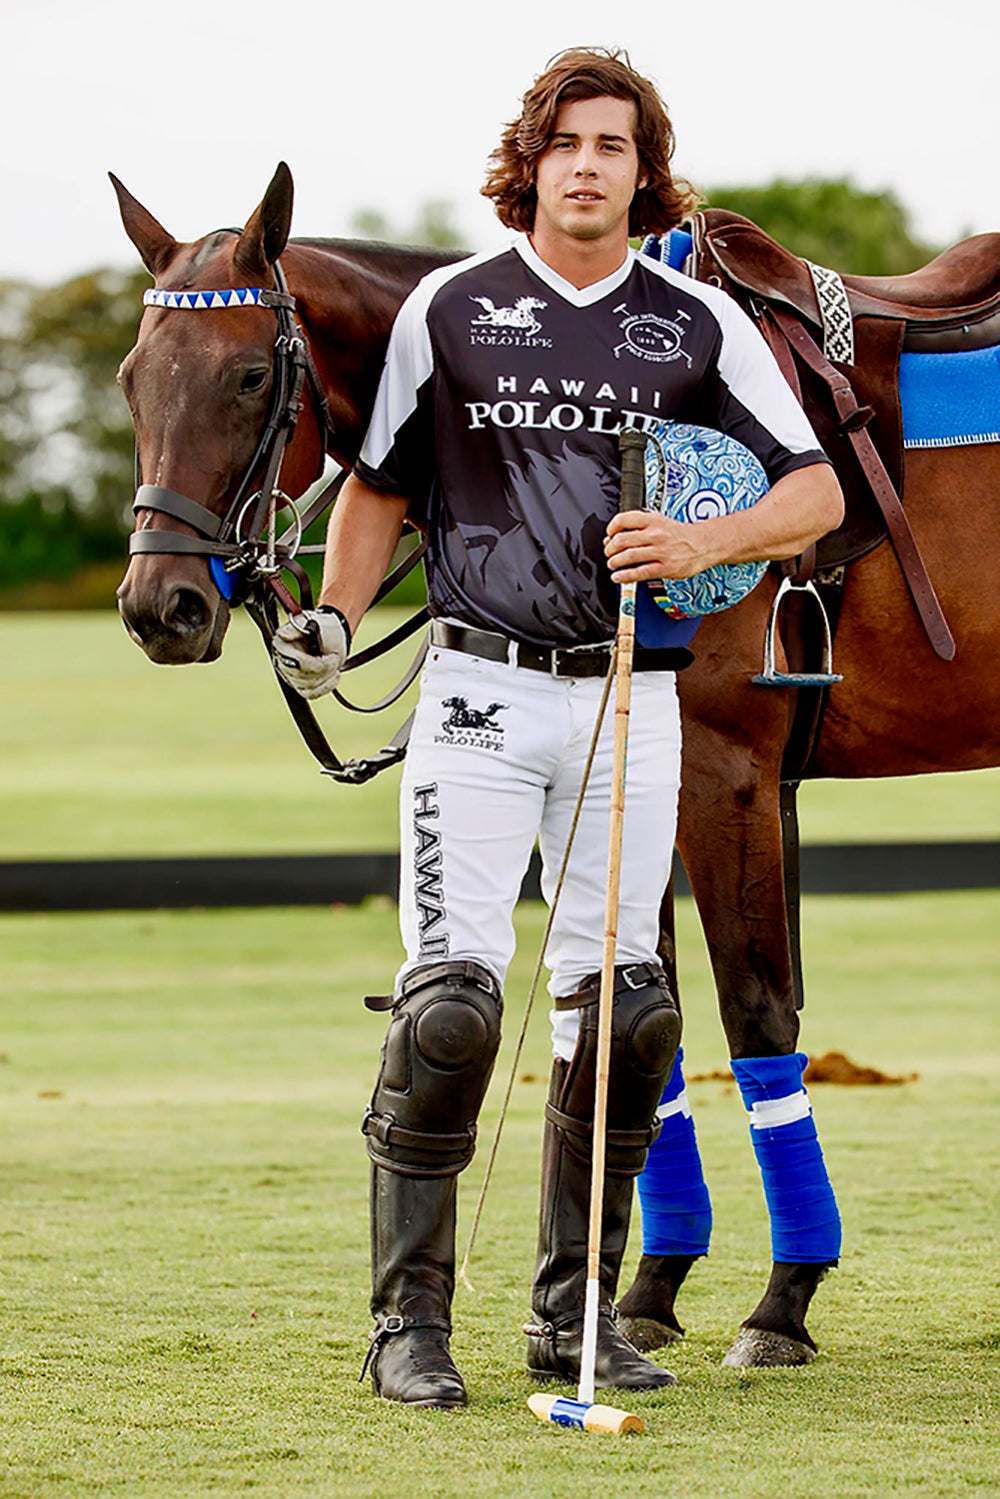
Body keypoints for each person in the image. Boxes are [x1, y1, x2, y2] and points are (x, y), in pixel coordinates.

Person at [272, 46, 844, 1409]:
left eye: (615, 146)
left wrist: (708, 535)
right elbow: (376, 489)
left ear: (647, 174)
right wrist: (342, 622)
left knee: (626, 1015)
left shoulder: (696, 325)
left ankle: (573, 1317)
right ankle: (407, 1327)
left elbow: (812, 493)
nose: (589, 164)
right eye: (567, 142)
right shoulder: (453, 310)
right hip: (477, 693)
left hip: (632, 703)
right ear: (529, 164)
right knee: (452, 1008)